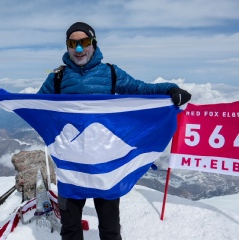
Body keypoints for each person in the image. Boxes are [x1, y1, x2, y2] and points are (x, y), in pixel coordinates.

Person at [38, 22, 191, 240]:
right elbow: (37, 105)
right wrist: (7, 100)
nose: (79, 49)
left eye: (84, 42)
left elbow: (140, 88)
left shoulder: (110, 73)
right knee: (70, 228)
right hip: (71, 166)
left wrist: (170, 89)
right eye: (73, 43)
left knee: (110, 228)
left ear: (93, 43)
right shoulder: (58, 77)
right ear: (67, 47)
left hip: (105, 165)